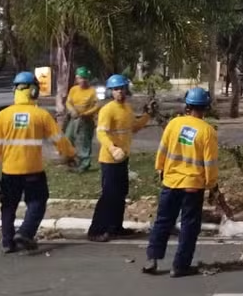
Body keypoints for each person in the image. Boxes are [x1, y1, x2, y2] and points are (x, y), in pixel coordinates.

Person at [0, 71, 77, 253]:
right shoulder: (41, 115)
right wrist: (71, 154)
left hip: (10, 171)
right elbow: (59, 139)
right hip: (33, 170)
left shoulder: (3, 115)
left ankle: (7, 242)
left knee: (8, 206)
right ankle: (25, 233)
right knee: (38, 201)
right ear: (33, 91)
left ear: (15, 90)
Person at [142, 87, 219, 277]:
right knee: (189, 226)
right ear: (205, 108)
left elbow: (162, 150)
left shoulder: (173, 124)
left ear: (187, 105)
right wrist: (211, 185)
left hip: (171, 182)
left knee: (163, 222)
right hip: (193, 186)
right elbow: (210, 163)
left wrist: (160, 168)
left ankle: (152, 259)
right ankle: (180, 266)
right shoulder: (207, 131)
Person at [88, 74, 152, 242]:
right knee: (108, 195)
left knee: (120, 194)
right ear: (111, 91)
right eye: (116, 89)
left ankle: (115, 227)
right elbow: (101, 132)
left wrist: (147, 115)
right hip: (110, 159)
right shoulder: (107, 110)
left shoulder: (127, 109)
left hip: (123, 158)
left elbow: (134, 127)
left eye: (122, 88)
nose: (119, 92)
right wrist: (112, 148)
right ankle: (96, 230)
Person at [64, 66, 99, 172]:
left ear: (88, 79)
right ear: (77, 79)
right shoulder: (73, 90)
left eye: (84, 78)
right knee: (68, 138)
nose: (82, 80)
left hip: (86, 120)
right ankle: (71, 160)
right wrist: (71, 110)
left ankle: (84, 164)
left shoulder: (92, 91)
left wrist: (86, 113)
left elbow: (97, 105)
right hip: (74, 118)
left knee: (84, 142)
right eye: (80, 78)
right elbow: (68, 102)